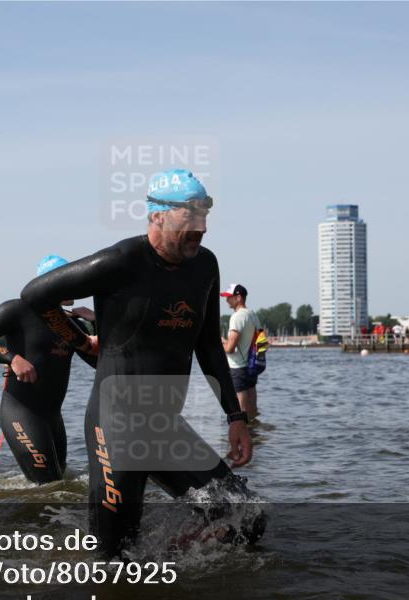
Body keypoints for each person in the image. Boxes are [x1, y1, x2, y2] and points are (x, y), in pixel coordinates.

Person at [21, 168, 264, 557]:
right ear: (157, 216)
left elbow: (208, 346)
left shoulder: (204, 266)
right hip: (116, 424)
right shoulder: (121, 261)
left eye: (204, 217)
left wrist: (236, 418)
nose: (201, 229)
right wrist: (81, 342)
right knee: (113, 556)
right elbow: (35, 295)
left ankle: (171, 559)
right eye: (191, 218)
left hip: (164, 424)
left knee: (244, 516)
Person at [0, 255, 98, 483]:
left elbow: (98, 362)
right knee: (48, 485)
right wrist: (12, 358)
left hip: (53, 418)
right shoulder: (17, 310)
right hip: (22, 412)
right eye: (70, 279)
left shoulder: (71, 325)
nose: (76, 285)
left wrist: (96, 322)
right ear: (51, 282)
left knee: (59, 483)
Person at [221, 283, 261, 420]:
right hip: (252, 366)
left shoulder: (237, 317)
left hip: (238, 367)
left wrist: (220, 342)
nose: (226, 300)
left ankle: (244, 433)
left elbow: (230, 349)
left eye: (229, 297)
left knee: (241, 409)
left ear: (238, 297)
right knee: (252, 407)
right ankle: (254, 434)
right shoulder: (253, 314)